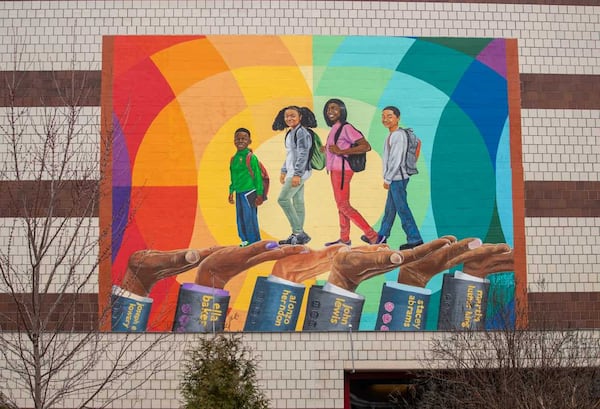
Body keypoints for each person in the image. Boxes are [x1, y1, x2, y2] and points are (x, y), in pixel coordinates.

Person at [322, 98, 380, 246]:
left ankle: (373, 236)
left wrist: (342, 151)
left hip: (342, 171)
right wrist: (327, 149)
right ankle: (344, 239)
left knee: (343, 205)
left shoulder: (346, 127)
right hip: (335, 171)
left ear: (342, 110)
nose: (331, 111)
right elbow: (335, 148)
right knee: (341, 205)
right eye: (328, 109)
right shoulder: (335, 128)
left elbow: (366, 146)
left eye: (334, 108)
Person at [373, 105, 423, 250]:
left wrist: (388, 179)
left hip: (397, 178)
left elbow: (396, 159)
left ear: (398, 118)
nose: (385, 119)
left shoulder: (398, 136)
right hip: (396, 177)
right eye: (383, 116)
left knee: (402, 208)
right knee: (390, 208)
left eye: (389, 116)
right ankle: (382, 236)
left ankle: (415, 239)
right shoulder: (393, 134)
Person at [271, 106, 315, 245]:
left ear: (300, 117)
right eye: (287, 116)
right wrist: (284, 170)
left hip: (299, 172)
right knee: (298, 203)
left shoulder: (302, 132)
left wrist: (297, 174)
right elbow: (291, 154)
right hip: (292, 171)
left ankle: (299, 232)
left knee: (282, 199)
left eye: (293, 116)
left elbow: (303, 154)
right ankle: (297, 235)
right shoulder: (291, 133)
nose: (289, 118)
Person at [228, 127, 264, 247]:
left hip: (250, 192)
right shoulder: (233, 159)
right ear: (234, 141)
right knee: (240, 217)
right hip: (238, 192)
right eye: (238, 138)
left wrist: (259, 194)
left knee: (250, 217)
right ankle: (244, 240)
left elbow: (258, 176)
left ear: (249, 141)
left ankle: (255, 241)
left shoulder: (251, 157)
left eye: (244, 138)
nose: (240, 141)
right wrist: (231, 191)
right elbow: (233, 176)